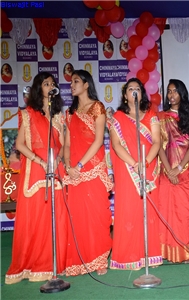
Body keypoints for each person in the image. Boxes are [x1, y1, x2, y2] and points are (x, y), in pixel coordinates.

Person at [5, 72, 67, 284]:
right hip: (36, 169)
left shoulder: (58, 116)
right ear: (38, 88)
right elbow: (21, 144)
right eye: (46, 83)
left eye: (52, 83)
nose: (50, 86)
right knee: (36, 217)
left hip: (55, 169)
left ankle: (53, 263)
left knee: (55, 217)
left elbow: (62, 146)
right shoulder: (29, 113)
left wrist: (57, 159)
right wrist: (40, 161)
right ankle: (31, 265)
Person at [108, 78, 163, 270]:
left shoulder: (151, 115)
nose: (134, 91)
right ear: (124, 95)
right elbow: (115, 145)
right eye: (130, 89)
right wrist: (134, 163)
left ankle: (150, 255)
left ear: (142, 93)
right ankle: (128, 256)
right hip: (127, 169)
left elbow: (156, 141)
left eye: (137, 89)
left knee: (147, 212)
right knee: (129, 209)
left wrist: (145, 162)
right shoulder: (117, 118)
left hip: (148, 167)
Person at [63, 70, 113, 276]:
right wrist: (68, 166)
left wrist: (80, 166)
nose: (71, 85)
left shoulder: (97, 107)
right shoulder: (70, 113)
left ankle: (99, 259)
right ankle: (79, 260)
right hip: (73, 171)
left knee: (96, 215)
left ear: (86, 85)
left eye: (76, 81)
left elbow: (98, 139)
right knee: (78, 217)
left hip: (91, 169)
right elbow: (66, 144)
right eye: (71, 81)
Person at [158, 79, 189, 263]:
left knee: (185, 213)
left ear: (182, 94)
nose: (171, 94)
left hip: (186, 171)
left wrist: (179, 169)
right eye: (169, 91)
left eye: (175, 91)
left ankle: (185, 250)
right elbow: (158, 146)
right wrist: (169, 170)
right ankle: (166, 251)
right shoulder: (160, 117)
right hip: (166, 171)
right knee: (167, 211)